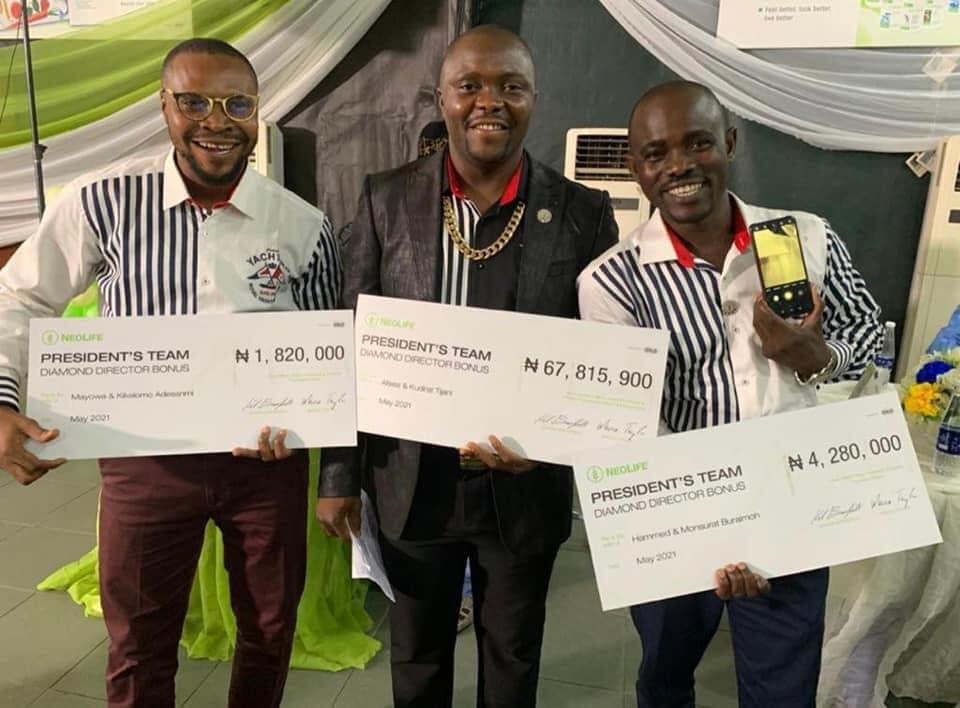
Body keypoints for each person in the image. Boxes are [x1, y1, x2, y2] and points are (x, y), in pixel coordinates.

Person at [0, 38, 341, 708]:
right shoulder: (101, 202)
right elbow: (21, 296)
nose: (217, 120)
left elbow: (325, 346)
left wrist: (307, 420)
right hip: (144, 462)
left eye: (236, 104)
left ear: (257, 110)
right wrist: (3, 398)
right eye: (194, 102)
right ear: (163, 105)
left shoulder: (302, 225)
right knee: (139, 643)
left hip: (265, 468)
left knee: (271, 630)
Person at [317, 24, 618, 708]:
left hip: (524, 482)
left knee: (513, 654)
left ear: (534, 99)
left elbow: (600, 359)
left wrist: (556, 444)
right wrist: (338, 474)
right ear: (441, 98)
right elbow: (349, 343)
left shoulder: (582, 212)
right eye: (470, 85)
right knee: (417, 653)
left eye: (511, 86)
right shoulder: (385, 198)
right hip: (412, 478)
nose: (490, 101)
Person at [577, 80, 882, 708]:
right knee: (665, 677)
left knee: (782, 692)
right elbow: (629, 424)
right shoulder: (612, 282)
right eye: (656, 153)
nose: (679, 166)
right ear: (635, 167)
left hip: (793, 508)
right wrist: (717, 531)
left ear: (730, 143)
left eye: (698, 143)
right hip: (675, 520)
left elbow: (865, 329)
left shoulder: (806, 239)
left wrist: (818, 357)